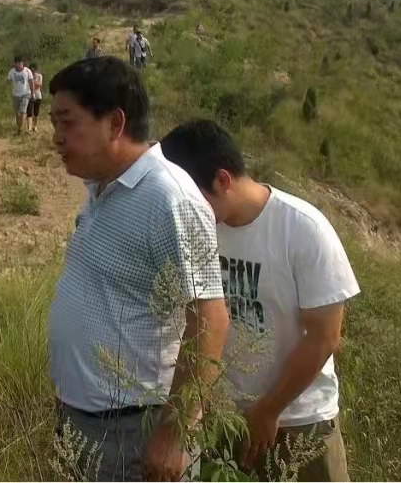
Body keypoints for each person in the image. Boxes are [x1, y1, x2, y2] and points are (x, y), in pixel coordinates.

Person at [46, 57, 229, 481]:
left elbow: (210, 319)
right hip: (83, 417)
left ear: (114, 123)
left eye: (67, 123)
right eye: (53, 124)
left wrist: (174, 433)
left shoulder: (169, 198)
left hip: (135, 428)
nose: (56, 138)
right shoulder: (100, 188)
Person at [160, 120, 360, 482]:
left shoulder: (303, 229)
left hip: (300, 423)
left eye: (193, 198)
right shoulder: (200, 229)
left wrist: (268, 410)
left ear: (222, 180)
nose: (187, 210)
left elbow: (324, 337)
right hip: (223, 420)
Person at [7, 56, 34, 136]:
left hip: (25, 94)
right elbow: (8, 80)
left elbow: (31, 82)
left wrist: (32, 94)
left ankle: (20, 130)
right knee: (17, 113)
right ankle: (19, 128)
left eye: (19, 63)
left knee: (23, 111)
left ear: (22, 63)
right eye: (16, 63)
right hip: (15, 94)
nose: (18, 65)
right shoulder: (12, 71)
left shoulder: (27, 71)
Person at [26, 62, 44, 133]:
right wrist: (33, 84)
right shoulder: (28, 76)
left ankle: (35, 126)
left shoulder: (39, 76)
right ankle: (29, 128)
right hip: (30, 95)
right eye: (31, 70)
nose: (32, 71)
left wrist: (32, 83)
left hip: (37, 95)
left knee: (36, 112)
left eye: (34, 70)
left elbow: (39, 84)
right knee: (29, 112)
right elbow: (28, 85)